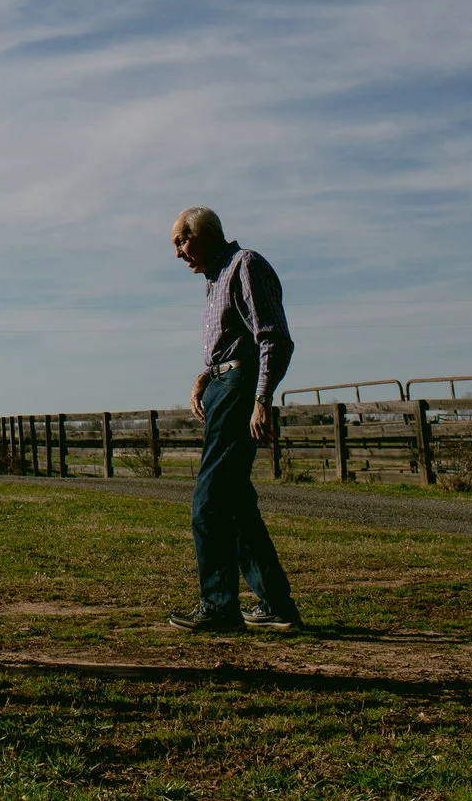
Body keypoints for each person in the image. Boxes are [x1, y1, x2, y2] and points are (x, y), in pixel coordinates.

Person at [166, 206, 304, 633]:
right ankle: (275, 604)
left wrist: (262, 398)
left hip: (240, 391)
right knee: (236, 503)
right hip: (224, 388)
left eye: (180, 242)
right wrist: (206, 376)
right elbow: (233, 343)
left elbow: (272, 338)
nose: (178, 254)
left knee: (207, 503)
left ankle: (219, 605)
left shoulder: (245, 265)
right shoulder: (215, 280)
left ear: (204, 234)